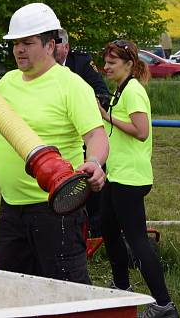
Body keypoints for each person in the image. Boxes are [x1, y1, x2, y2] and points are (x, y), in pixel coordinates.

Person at [0, 3, 108, 283]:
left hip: (56, 210)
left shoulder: (71, 85)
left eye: (27, 42)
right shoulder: (7, 83)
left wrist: (94, 162)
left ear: (50, 45)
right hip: (12, 207)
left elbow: (95, 135)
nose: (19, 49)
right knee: (12, 290)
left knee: (65, 293)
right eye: (15, 43)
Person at [98, 39, 179, 318]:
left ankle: (163, 304)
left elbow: (141, 131)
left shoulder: (132, 91)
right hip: (117, 174)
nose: (106, 67)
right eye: (105, 62)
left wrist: (105, 116)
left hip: (130, 178)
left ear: (129, 65)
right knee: (107, 228)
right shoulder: (122, 89)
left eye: (112, 62)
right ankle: (120, 286)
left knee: (136, 239)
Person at [55, 28, 111, 237]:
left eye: (58, 42)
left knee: (91, 183)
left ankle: (95, 232)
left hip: (84, 132)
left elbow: (102, 93)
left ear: (66, 47)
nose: (54, 46)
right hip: (58, 137)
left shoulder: (81, 63)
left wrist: (86, 107)